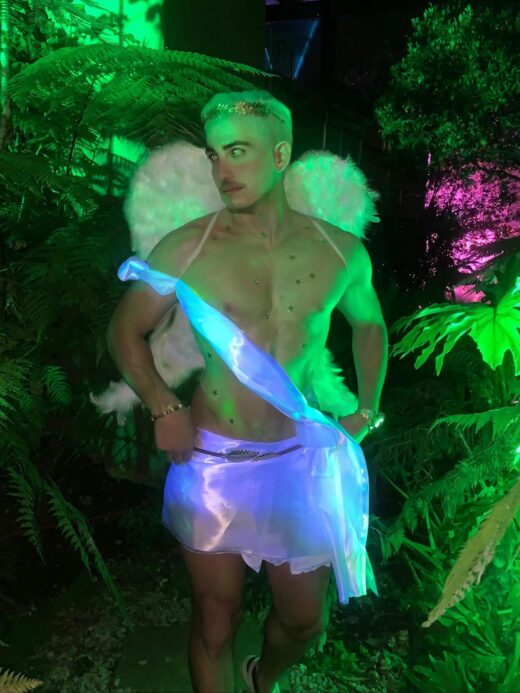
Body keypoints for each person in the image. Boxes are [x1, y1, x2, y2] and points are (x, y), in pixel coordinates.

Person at [106, 90, 388, 693]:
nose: (222, 170)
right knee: (216, 621)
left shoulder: (339, 252)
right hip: (212, 461)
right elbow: (125, 330)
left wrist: (366, 409)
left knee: (305, 619)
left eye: (237, 151)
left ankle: (264, 676)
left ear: (281, 155)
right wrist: (162, 404)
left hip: (298, 462)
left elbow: (370, 326)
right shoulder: (188, 247)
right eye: (214, 154)